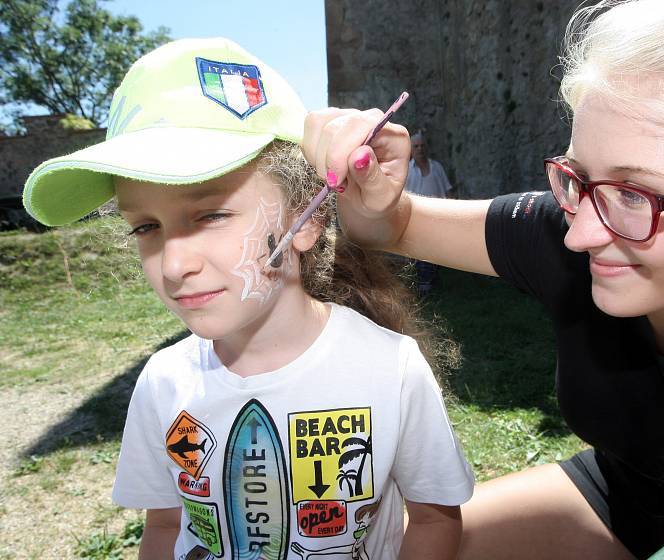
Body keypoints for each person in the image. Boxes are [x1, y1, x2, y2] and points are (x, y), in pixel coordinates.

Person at [300, 1, 664, 558]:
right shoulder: (561, 231)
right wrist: (370, 193)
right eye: (577, 177)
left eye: (634, 194)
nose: (578, 235)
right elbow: (396, 223)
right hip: (624, 497)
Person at [22, 38, 473, 560]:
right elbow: (167, 527)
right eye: (146, 227)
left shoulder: (390, 368)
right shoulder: (163, 384)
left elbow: (435, 519)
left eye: (210, 215)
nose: (173, 264)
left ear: (309, 218)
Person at [404, 130, 454, 296]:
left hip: (439, 216)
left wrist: (454, 213)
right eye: (416, 146)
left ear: (427, 148)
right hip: (417, 218)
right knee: (422, 254)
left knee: (436, 253)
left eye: (423, 145)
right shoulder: (407, 171)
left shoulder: (436, 167)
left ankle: (430, 282)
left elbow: (448, 191)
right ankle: (425, 286)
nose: (420, 149)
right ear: (411, 150)